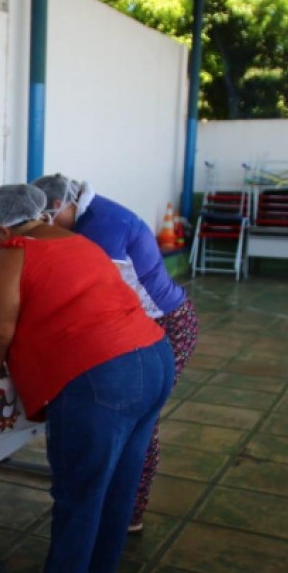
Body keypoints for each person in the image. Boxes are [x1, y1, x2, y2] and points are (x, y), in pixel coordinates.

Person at [0, 184, 174, 573]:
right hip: (154, 358)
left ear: (4, 227)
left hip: (104, 375)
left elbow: (1, 333)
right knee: (121, 477)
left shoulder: (14, 250)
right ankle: (99, 572)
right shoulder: (79, 242)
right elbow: (59, 303)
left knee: (79, 487)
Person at [32, 174, 198, 532]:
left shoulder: (103, 227)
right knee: (130, 418)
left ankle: (127, 512)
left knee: (139, 419)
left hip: (166, 325)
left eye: (45, 218)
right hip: (140, 325)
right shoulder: (87, 218)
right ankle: (115, 510)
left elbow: (87, 294)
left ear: (60, 204)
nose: (43, 229)